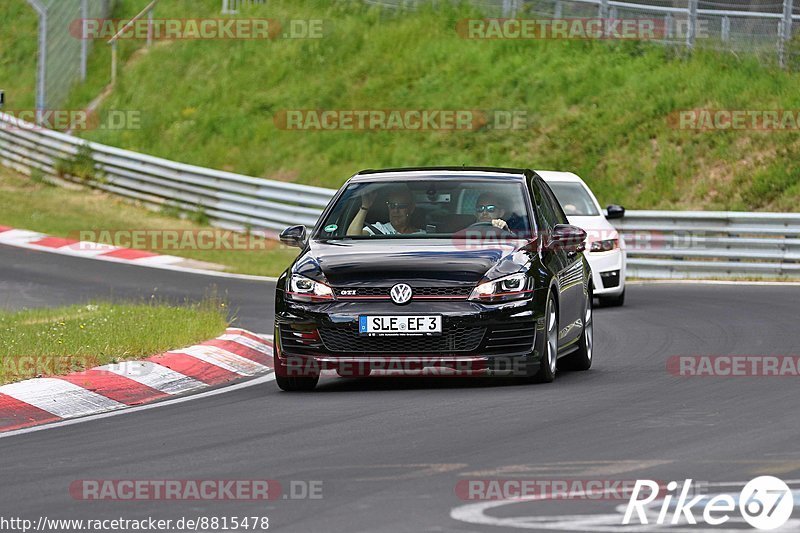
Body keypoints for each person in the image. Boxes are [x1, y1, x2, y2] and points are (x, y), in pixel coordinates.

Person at [346, 186, 425, 236]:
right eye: (392, 206)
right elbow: (352, 236)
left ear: (411, 209)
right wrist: (365, 207)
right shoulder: (379, 229)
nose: (396, 210)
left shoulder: (424, 235)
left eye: (401, 206)